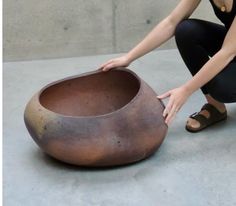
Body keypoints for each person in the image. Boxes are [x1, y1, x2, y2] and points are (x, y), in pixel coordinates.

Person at [99, 0, 236, 132]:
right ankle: (215, 108)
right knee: (186, 30)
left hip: (231, 49)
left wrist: (185, 90)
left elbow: (227, 52)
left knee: (222, 88)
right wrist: (128, 57)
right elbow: (171, 22)